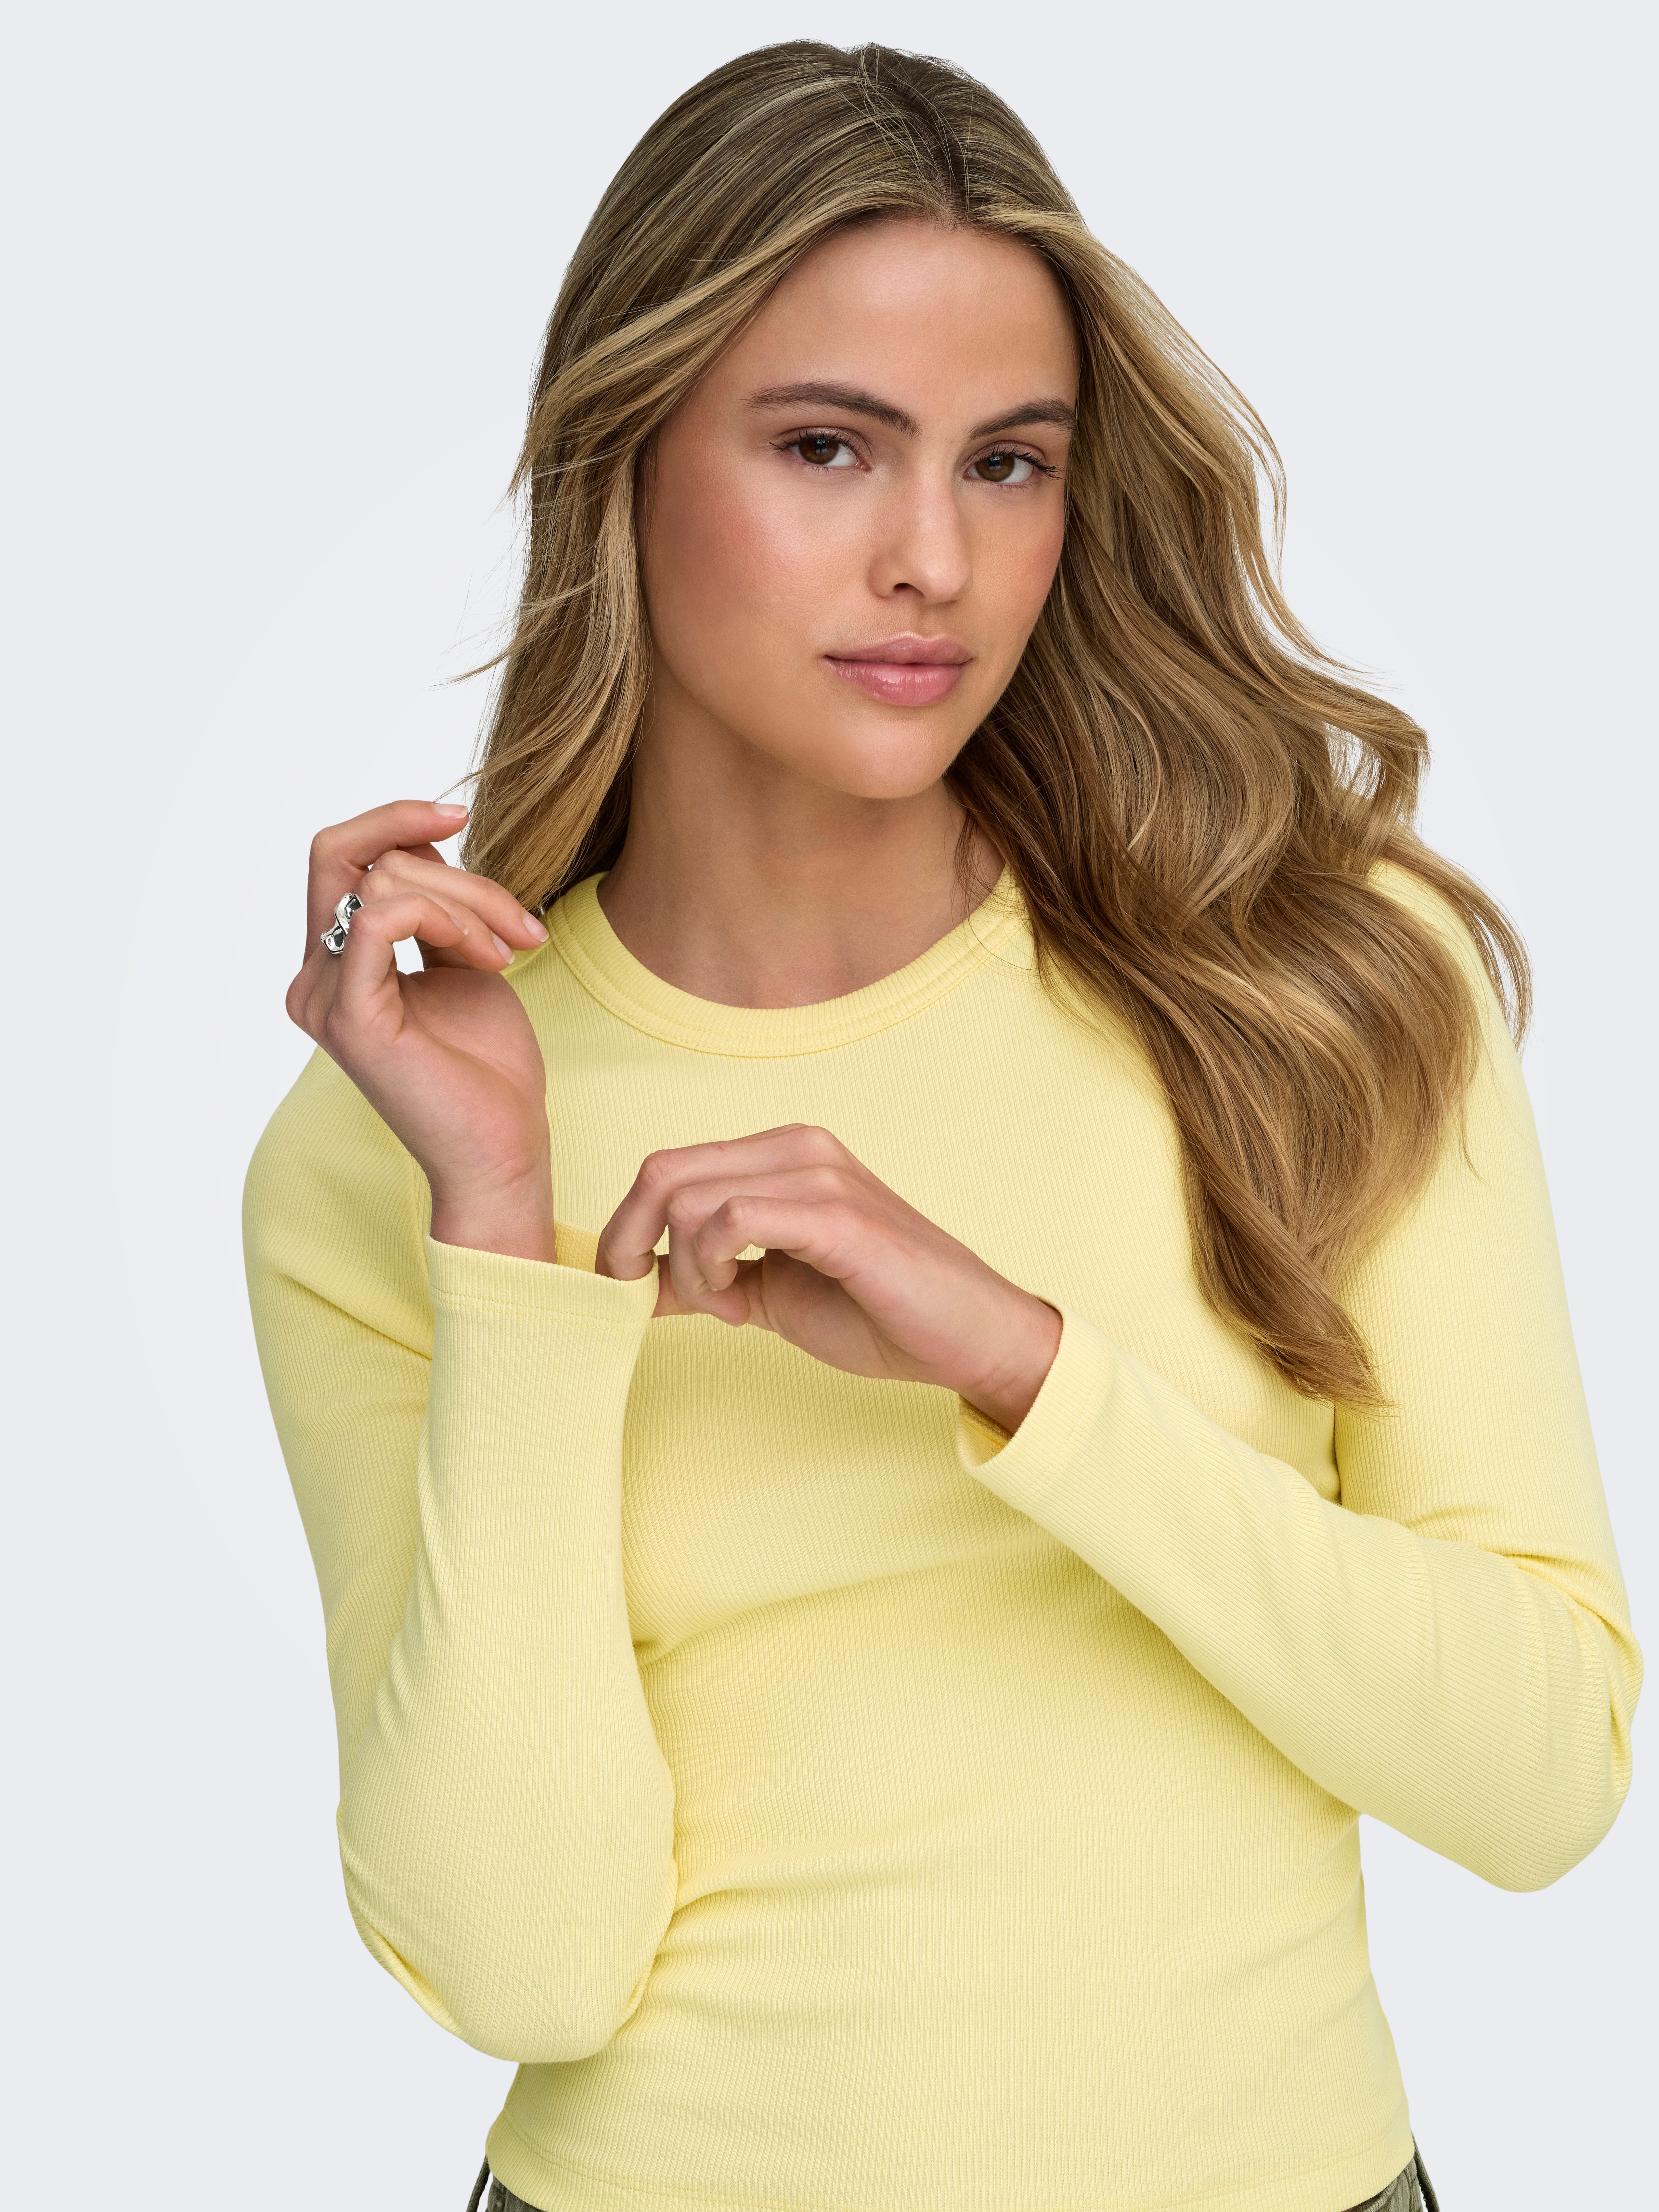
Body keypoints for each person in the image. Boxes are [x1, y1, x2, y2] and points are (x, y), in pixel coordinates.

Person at [242, 41, 1639, 2212]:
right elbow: (526, 1959)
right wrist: (503, 1224)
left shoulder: (1314, 984)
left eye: (1008, 463)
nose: (931, 558)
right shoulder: (383, 1149)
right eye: (826, 447)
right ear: (621, 457)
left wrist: (1024, 1365)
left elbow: (1539, 1777)